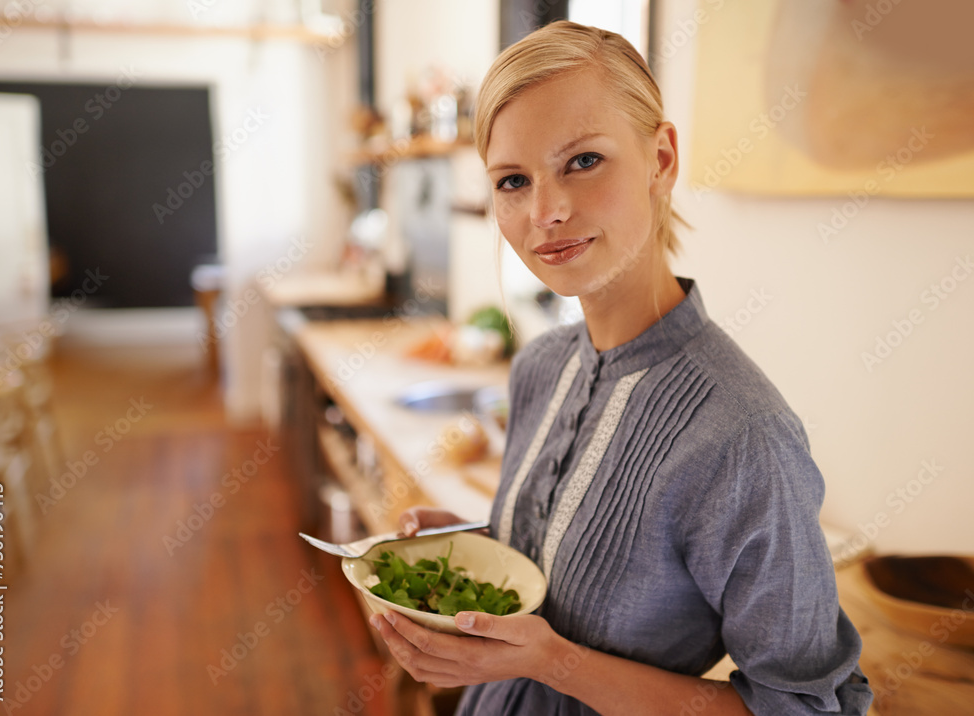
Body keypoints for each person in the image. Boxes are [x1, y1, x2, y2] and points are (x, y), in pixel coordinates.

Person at [368, 21, 874, 716]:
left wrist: (557, 663)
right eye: (513, 180)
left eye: (582, 161)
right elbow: (570, 574)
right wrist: (471, 547)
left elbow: (807, 708)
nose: (545, 212)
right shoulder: (542, 365)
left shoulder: (742, 436)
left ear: (661, 159)